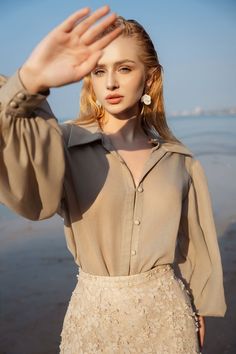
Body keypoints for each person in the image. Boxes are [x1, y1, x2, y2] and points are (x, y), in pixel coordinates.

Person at [0, 5, 226, 354]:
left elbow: (193, 244)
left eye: (124, 68)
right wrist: (30, 79)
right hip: (94, 325)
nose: (111, 82)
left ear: (149, 77)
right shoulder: (62, 145)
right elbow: (25, 187)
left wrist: (198, 308)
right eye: (99, 70)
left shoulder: (180, 161)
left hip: (170, 323)